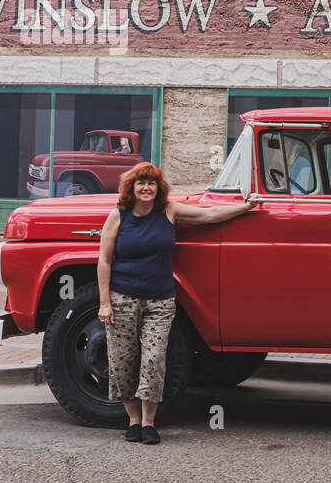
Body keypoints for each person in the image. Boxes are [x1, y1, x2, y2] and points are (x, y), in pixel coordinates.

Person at [97, 161, 257, 444]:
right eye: (141, 183)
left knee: (154, 359)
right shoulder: (118, 216)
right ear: (131, 188)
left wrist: (244, 207)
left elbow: (209, 216)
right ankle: (132, 421)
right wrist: (105, 303)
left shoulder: (169, 211)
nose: (146, 188)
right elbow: (104, 260)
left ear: (158, 188)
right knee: (122, 361)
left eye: (151, 183)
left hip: (160, 301)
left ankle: (148, 423)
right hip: (122, 299)